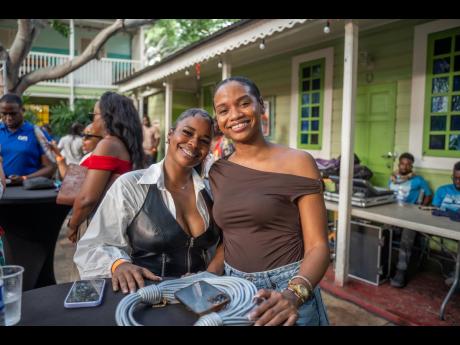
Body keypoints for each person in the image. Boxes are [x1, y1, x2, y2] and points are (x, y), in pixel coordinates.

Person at [206, 76, 330, 326]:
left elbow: (318, 247)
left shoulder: (298, 162)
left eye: (243, 103)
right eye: (224, 110)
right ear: (218, 119)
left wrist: (293, 296)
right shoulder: (218, 171)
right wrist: (205, 277)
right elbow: (230, 239)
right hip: (235, 291)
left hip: (287, 288)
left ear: (261, 106)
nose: (235, 115)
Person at [74, 108, 220, 294]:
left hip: (198, 299)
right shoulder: (131, 186)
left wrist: (209, 275)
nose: (193, 143)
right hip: (147, 297)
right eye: (187, 132)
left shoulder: (210, 191)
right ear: (169, 134)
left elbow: (225, 244)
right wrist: (118, 264)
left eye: (204, 140)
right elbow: (91, 246)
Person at [65, 92, 144, 244]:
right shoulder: (124, 145)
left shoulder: (108, 144)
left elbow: (87, 199)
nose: (92, 120)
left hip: (97, 224)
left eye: (93, 115)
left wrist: (72, 224)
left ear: (106, 117)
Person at [388, 152, 433, 288]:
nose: (405, 166)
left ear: (412, 166)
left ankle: (400, 272)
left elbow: (429, 194)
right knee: (380, 231)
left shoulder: (418, 180)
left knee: (407, 236)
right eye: (402, 163)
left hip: (409, 217)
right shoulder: (392, 178)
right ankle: (382, 267)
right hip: (391, 214)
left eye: (408, 164)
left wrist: (420, 209)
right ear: (399, 164)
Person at [0, 94, 56, 185]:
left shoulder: (36, 132)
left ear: (22, 111)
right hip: (2, 191)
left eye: (13, 113)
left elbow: (51, 167)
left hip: (28, 190)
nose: (8, 118)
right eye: (4, 114)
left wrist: (24, 178)